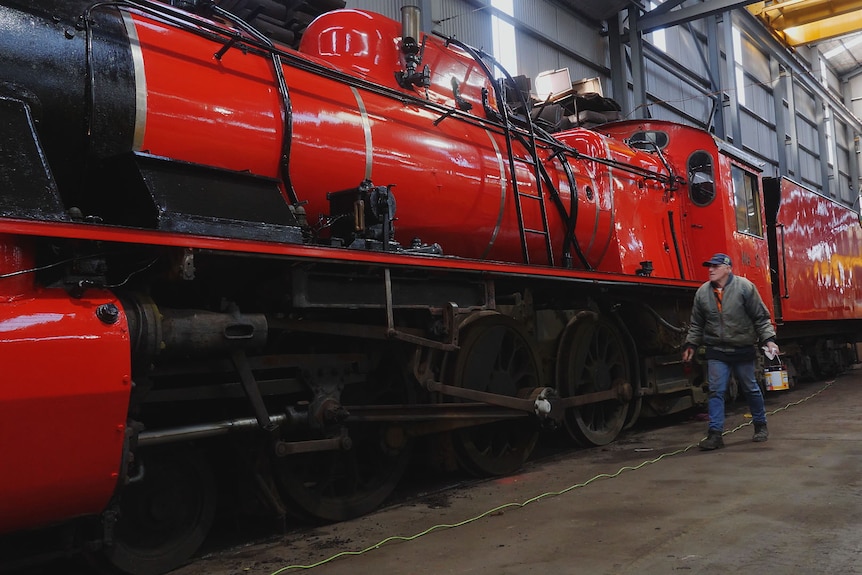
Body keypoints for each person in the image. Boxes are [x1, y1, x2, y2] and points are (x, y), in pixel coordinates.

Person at [682, 253, 780, 450]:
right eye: (709, 266)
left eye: (715, 266)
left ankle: (760, 426)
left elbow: (760, 318)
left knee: (750, 388)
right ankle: (715, 434)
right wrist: (690, 345)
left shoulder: (744, 288)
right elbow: (696, 324)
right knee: (716, 391)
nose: (710, 269)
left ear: (728, 268)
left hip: (742, 347)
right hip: (717, 349)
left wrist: (768, 340)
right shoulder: (702, 293)